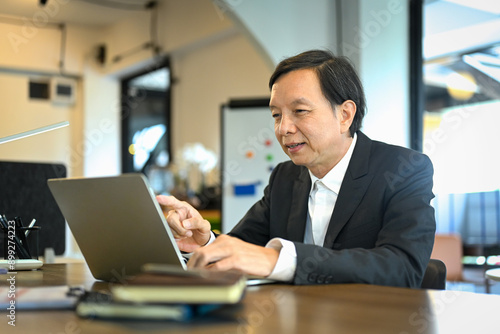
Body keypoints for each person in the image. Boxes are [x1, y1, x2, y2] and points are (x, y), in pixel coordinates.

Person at [157, 49, 436, 287]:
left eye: (300, 111)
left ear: (345, 115)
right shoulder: (285, 177)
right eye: (276, 115)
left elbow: (402, 269)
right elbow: (243, 247)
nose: (283, 129)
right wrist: (205, 242)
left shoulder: (405, 169)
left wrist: (279, 259)